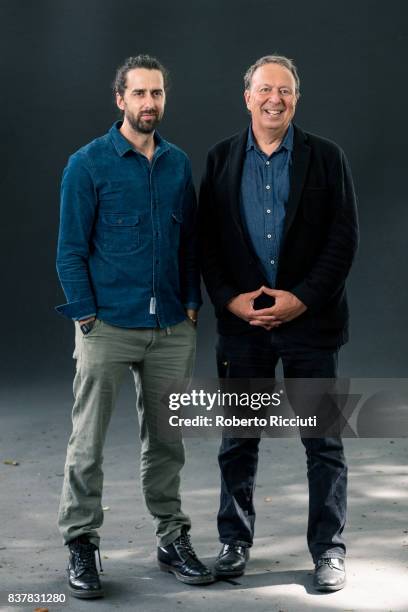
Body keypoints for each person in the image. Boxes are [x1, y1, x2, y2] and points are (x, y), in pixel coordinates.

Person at [198, 54, 358, 592]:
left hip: (311, 324)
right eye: (265, 89)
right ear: (247, 97)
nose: (275, 99)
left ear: (296, 98)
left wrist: (302, 300)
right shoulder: (220, 161)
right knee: (238, 439)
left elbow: (343, 241)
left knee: (324, 441)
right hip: (243, 329)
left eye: (285, 90)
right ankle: (233, 543)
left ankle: (329, 550)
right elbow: (207, 246)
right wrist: (230, 301)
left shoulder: (327, 158)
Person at [56, 54, 214, 599]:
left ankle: (172, 539)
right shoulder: (88, 164)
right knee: (88, 443)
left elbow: (191, 243)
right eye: (140, 94)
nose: (150, 103)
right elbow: (70, 252)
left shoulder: (176, 163)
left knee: (168, 442)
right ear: (120, 100)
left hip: (172, 327)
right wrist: (85, 317)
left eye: (158, 93)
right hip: (107, 327)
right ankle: (81, 541)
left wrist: (191, 302)